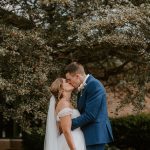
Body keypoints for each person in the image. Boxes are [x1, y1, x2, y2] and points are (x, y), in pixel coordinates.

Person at [65, 62, 114, 150]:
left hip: (95, 135)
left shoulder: (94, 85)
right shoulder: (84, 87)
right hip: (89, 134)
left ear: (77, 76)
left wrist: (67, 124)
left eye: (69, 79)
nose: (68, 82)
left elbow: (90, 114)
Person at [44, 78, 86, 150]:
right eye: (66, 81)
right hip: (71, 143)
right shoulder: (64, 103)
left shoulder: (67, 103)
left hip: (76, 139)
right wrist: (73, 148)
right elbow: (66, 130)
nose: (69, 82)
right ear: (61, 88)